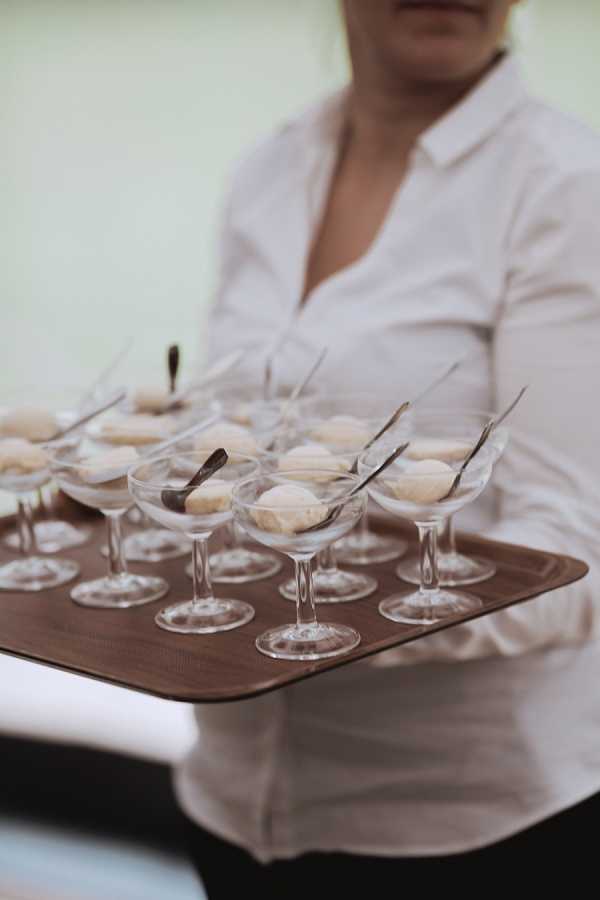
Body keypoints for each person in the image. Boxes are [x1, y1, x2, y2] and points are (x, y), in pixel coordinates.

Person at [178, 1, 600, 895]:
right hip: (224, 803)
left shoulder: (567, 182)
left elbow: (576, 554)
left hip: (469, 829)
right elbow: (226, 444)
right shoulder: (267, 167)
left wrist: (295, 618)